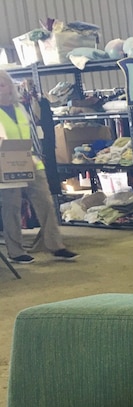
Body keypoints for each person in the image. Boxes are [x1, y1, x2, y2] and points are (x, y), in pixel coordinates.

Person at [0, 69, 78, 263]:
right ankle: (16, 251)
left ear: (10, 86)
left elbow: (34, 134)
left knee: (46, 202)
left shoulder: (21, 108)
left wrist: (38, 156)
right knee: (12, 206)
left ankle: (55, 245)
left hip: (30, 159)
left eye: (1, 85)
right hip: (6, 162)